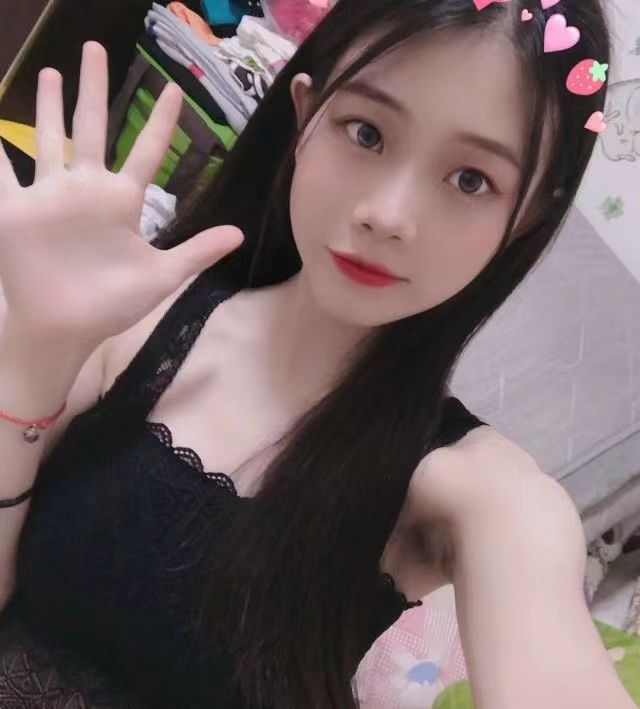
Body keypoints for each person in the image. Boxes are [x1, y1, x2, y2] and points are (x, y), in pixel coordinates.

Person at [0, 0, 633, 707]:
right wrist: (31, 355)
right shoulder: (136, 321)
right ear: (305, 115)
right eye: (367, 132)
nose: (388, 215)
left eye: (470, 180)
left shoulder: (474, 490)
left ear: (528, 216)